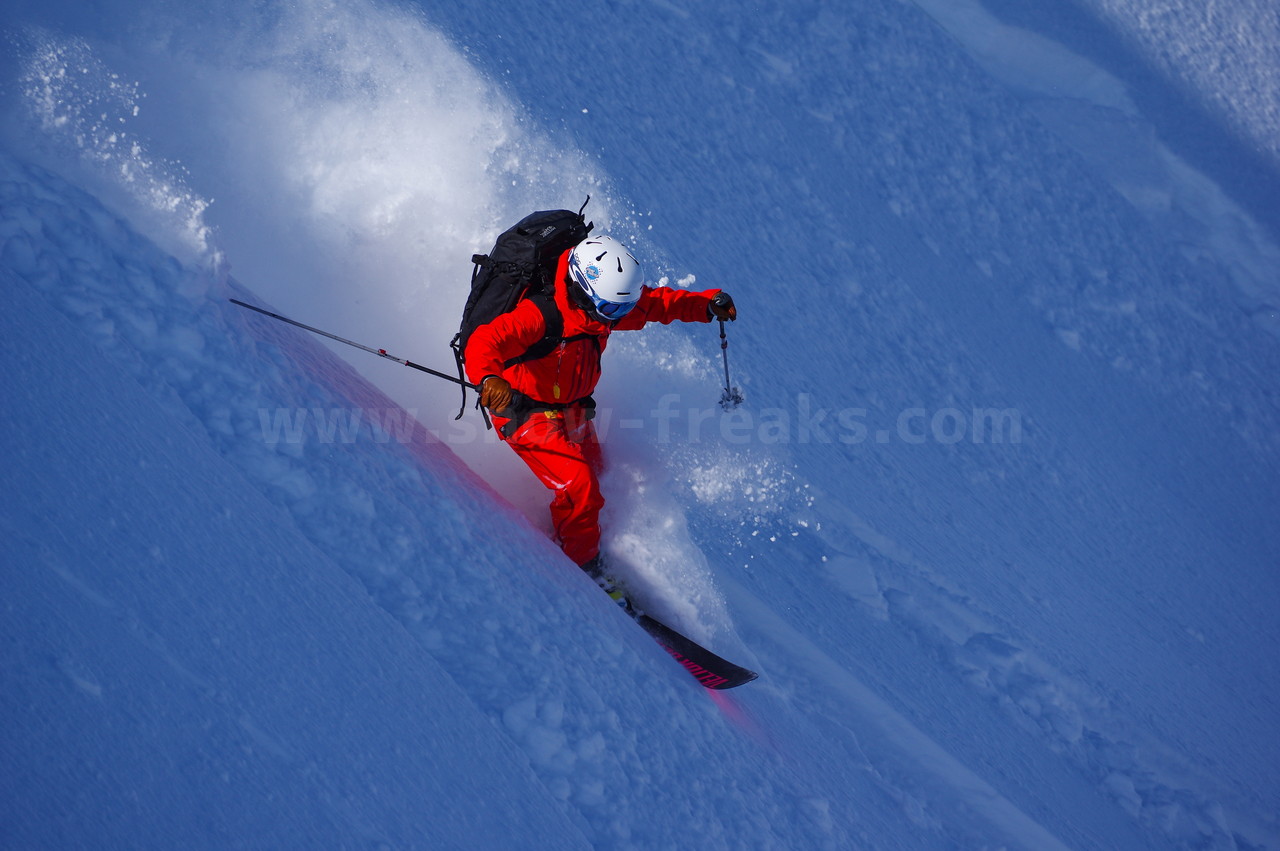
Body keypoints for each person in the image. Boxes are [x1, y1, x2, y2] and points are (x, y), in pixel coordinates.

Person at [463, 234, 736, 583]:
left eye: (622, 308)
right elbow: (486, 341)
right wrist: (489, 378)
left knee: (598, 472)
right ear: (581, 290)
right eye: (612, 310)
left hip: (572, 407)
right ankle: (581, 570)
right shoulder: (541, 314)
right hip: (524, 409)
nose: (618, 318)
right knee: (579, 484)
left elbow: (655, 304)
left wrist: (704, 305)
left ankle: (578, 533)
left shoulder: (602, 310)